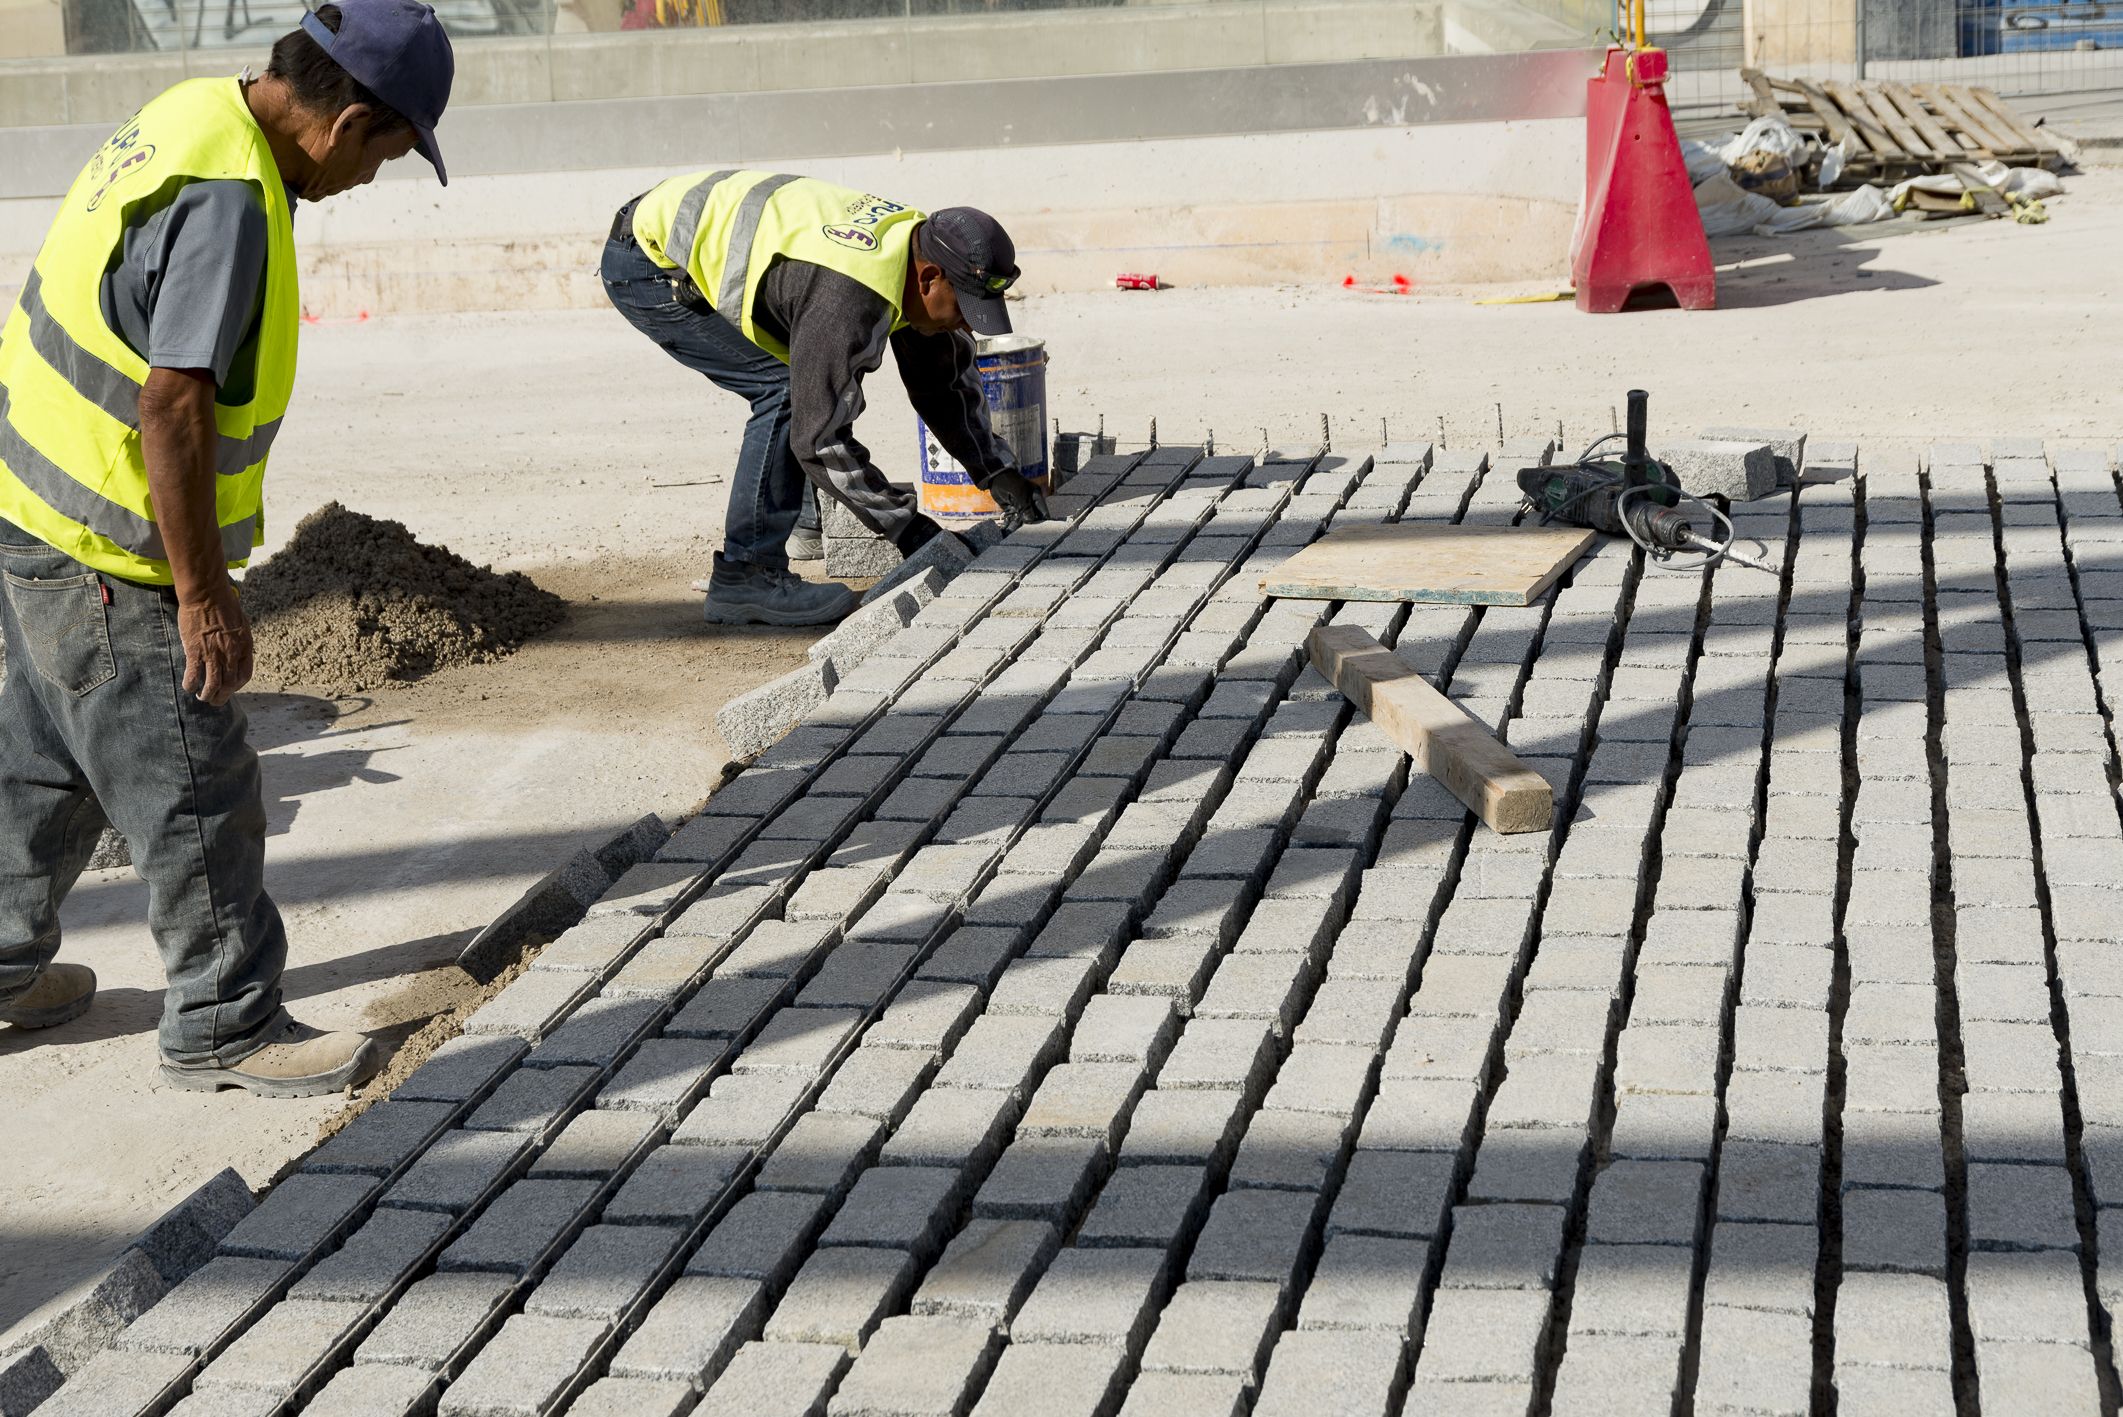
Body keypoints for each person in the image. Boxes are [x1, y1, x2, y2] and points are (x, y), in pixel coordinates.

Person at [0, 0, 454, 1096]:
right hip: (113, 544)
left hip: (32, 505)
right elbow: (173, 403)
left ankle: (2, 965)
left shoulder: (192, 110)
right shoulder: (235, 200)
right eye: (388, 154)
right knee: (194, 783)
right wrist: (201, 595)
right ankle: (225, 1021)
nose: (373, 178)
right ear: (347, 123)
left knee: (43, 763)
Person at [603, 173, 1048, 626]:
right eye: (965, 311)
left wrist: (995, 471)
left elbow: (941, 382)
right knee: (786, 391)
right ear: (930, 279)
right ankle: (745, 575)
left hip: (719, 232)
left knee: (807, 385)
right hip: (651, 261)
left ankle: (803, 523)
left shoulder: (918, 252)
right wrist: (910, 528)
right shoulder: (849, 297)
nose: (969, 327)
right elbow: (818, 438)